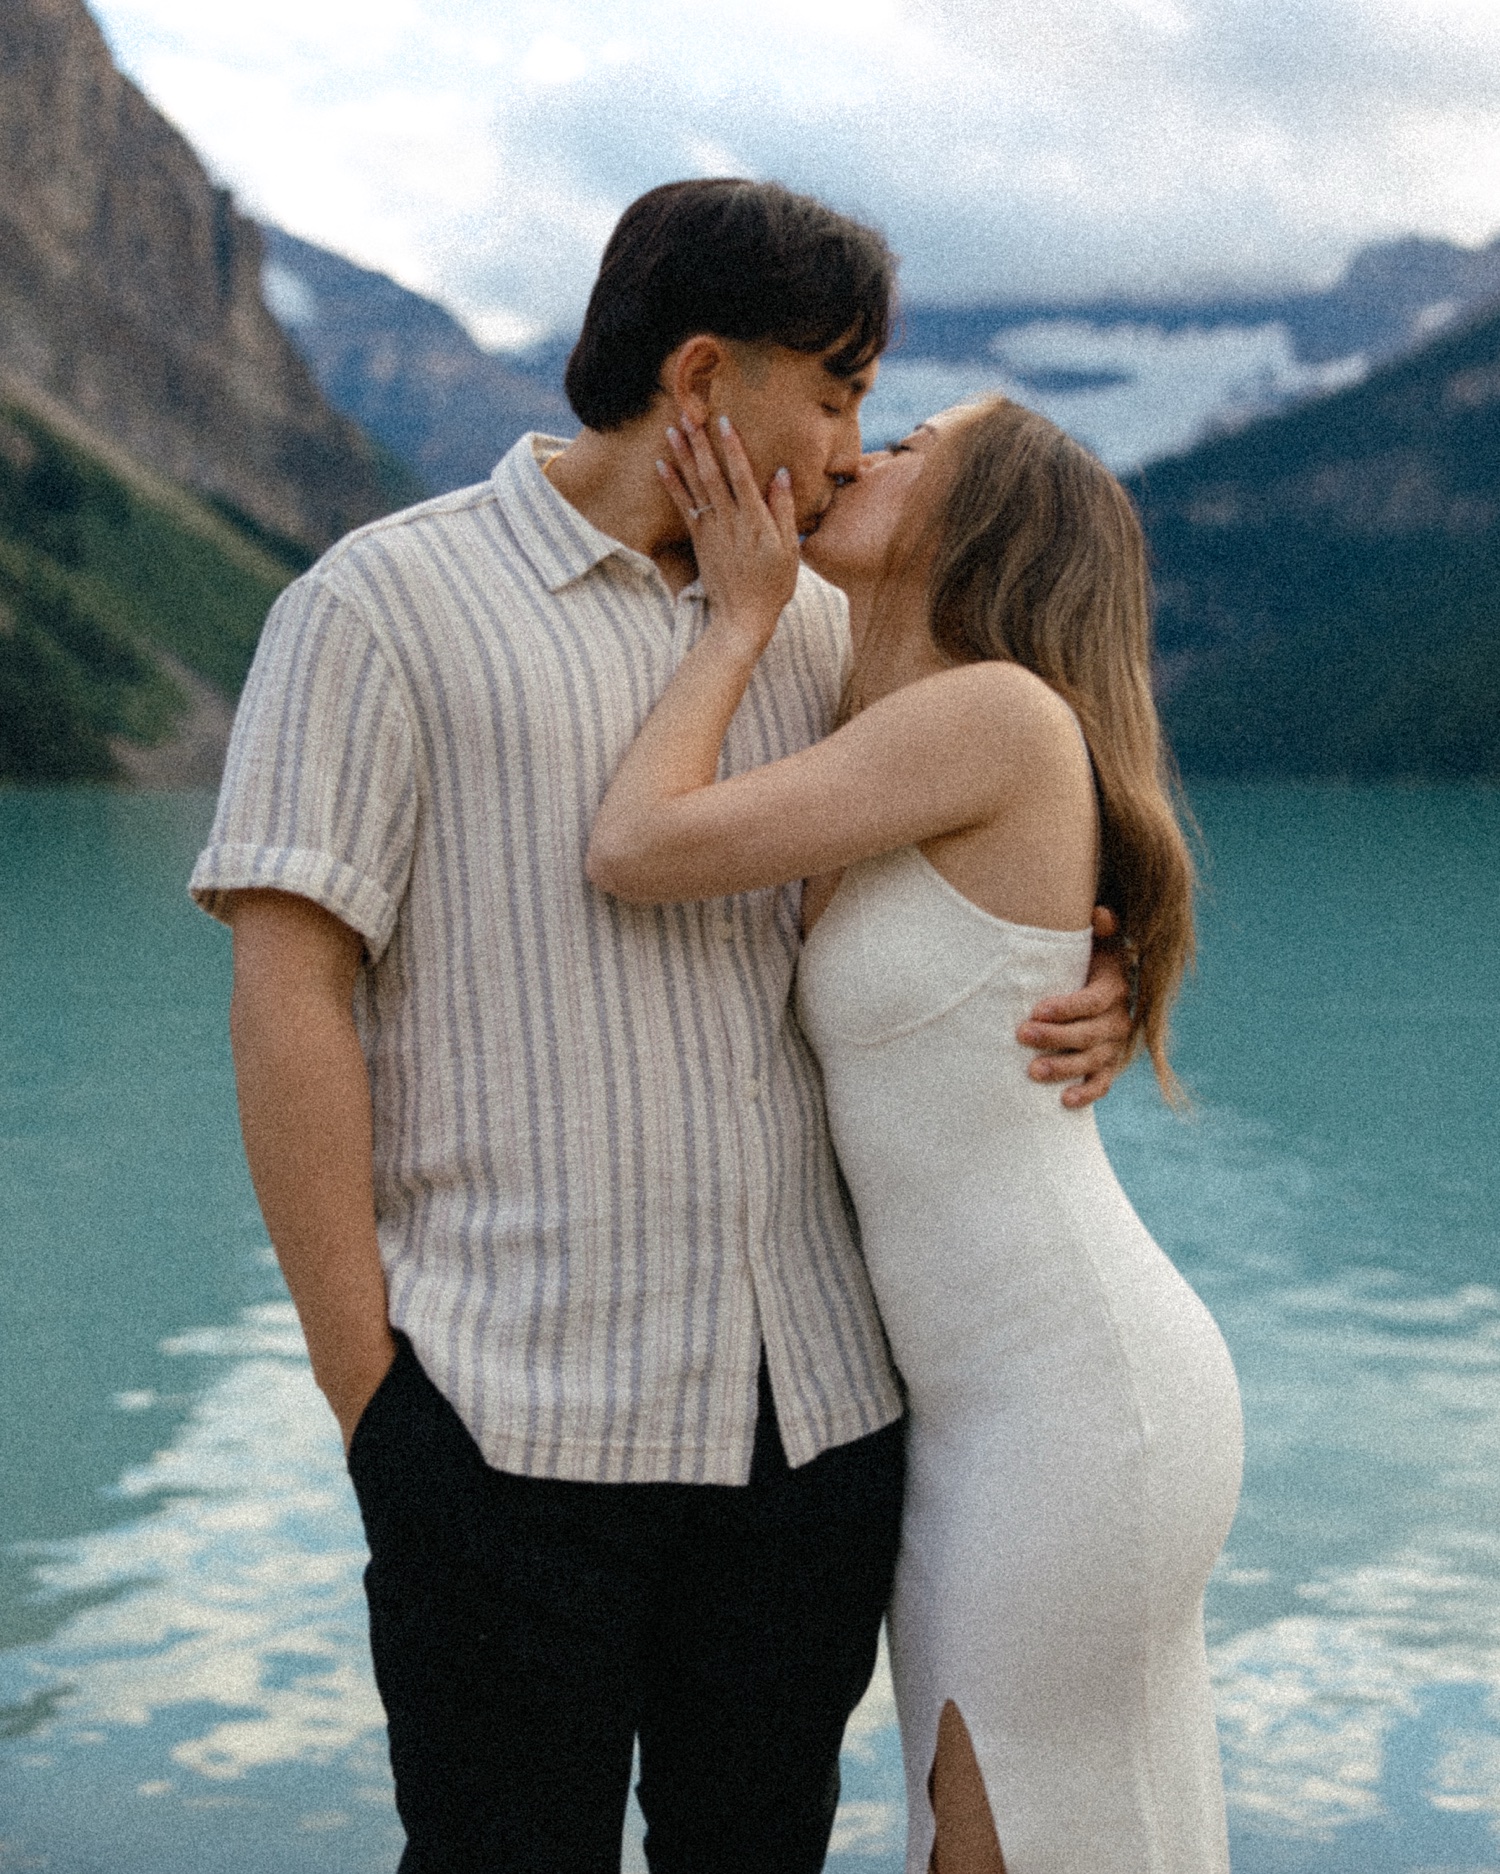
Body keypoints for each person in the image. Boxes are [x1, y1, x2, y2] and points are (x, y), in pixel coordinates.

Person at [189, 179, 1132, 1873]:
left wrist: (1094, 969)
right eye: (836, 393)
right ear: (704, 379)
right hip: (500, 1433)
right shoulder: (374, 608)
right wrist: (372, 1405)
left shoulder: (840, 633)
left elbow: (1009, 843)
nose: (853, 447)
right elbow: (288, 1001)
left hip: (816, 1434)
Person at [588, 396, 1244, 1872]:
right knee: (1006, 1823)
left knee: (998, 1831)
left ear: (976, 524)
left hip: (1072, 1401)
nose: (861, 455)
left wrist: (737, 616)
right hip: (976, 1416)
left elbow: (635, 847)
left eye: (911, 450)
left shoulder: (992, 714)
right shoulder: (892, 722)